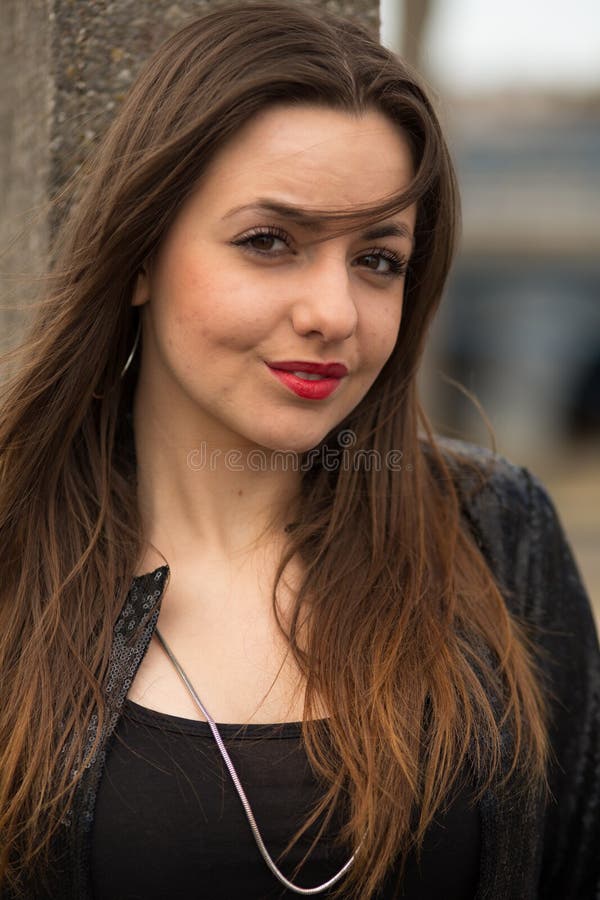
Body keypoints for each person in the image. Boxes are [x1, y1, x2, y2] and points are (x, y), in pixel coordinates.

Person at [0, 2, 598, 898]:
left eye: (378, 260)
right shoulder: (16, 553)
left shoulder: (491, 534)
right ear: (139, 257)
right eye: (269, 242)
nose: (334, 313)